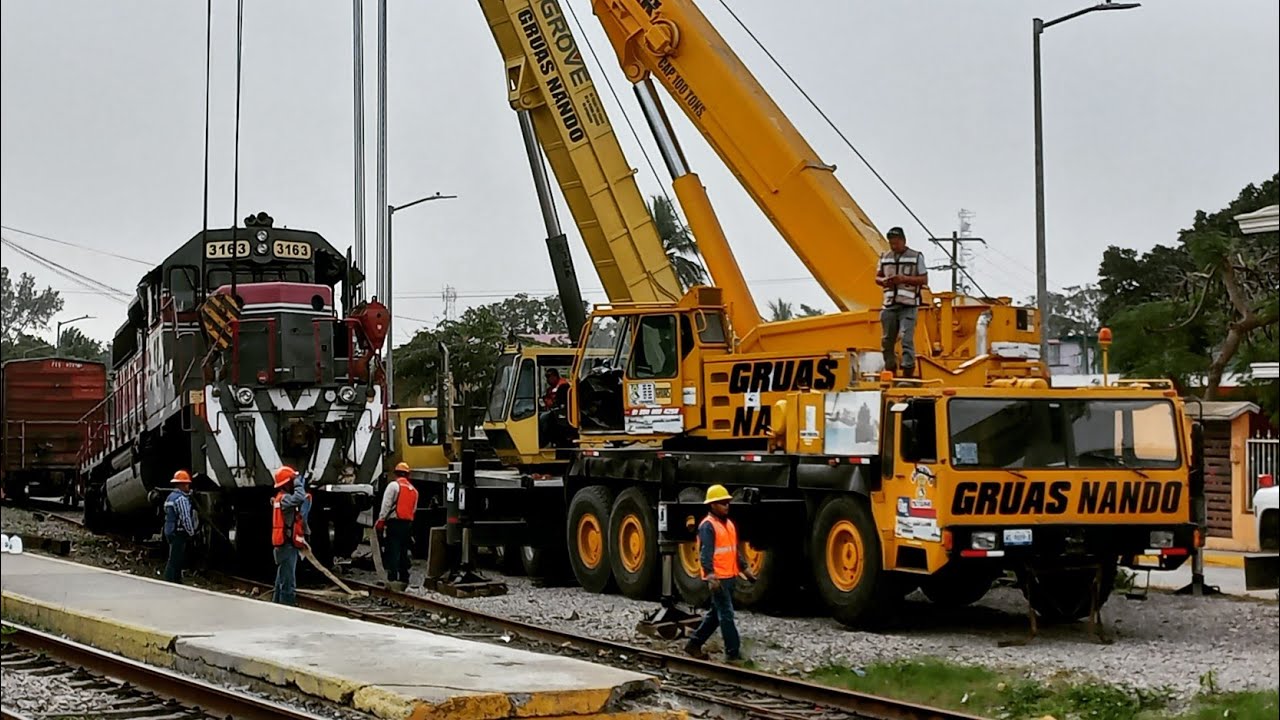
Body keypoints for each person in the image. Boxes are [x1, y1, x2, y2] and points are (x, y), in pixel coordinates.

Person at [684, 484, 756, 663]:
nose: (726, 505)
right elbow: (705, 553)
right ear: (712, 505)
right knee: (726, 614)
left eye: (727, 502)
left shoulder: (729, 524)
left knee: (716, 615)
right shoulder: (707, 526)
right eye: (722, 503)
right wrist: (710, 575)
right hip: (718, 578)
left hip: (729, 576)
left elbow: (733, 550)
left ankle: (694, 644)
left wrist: (744, 569)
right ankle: (733, 653)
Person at [875, 226, 928, 377]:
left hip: (908, 305)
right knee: (887, 340)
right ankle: (890, 368)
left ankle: (907, 370)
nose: (894, 246)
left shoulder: (916, 257)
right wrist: (884, 281)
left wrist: (904, 279)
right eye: (891, 243)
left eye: (896, 242)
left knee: (906, 338)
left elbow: (924, 279)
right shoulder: (885, 257)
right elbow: (877, 277)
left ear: (903, 241)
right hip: (889, 304)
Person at [375, 462, 419, 591]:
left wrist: (381, 520)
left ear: (396, 474)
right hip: (407, 524)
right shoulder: (414, 490)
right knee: (404, 550)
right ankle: (404, 577)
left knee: (393, 549)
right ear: (407, 475)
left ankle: (392, 577)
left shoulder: (393, 486)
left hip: (394, 522)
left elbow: (386, 504)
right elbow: (413, 509)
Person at [270, 465, 308, 605]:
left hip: (283, 545)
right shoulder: (285, 499)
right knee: (288, 582)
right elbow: (300, 497)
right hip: (286, 545)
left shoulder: (279, 499)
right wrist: (297, 481)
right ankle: (288, 608)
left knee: (281, 579)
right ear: (287, 484)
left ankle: (276, 606)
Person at [162, 470, 198, 584]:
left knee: (174, 556)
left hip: (169, 530)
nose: (188, 486)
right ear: (182, 485)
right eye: (186, 484)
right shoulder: (181, 499)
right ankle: (170, 580)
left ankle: (175, 580)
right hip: (179, 532)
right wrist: (191, 532)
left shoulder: (170, 497)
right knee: (175, 558)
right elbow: (185, 517)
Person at [538, 368, 570, 448]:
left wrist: (551, 403)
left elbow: (559, 401)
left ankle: (545, 441)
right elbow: (547, 399)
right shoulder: (550, 388)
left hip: (563, 412)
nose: (548, 380)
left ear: (555, 376)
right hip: (553, 410)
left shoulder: (563, 385)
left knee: (543, 418)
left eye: (549, 377)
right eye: (547, 377)